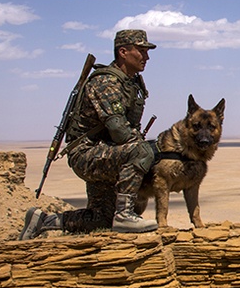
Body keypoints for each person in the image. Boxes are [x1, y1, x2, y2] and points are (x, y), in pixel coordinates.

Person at [19, 29, 159, 240]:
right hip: (88, 155)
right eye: (141, 51)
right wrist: (149, 149)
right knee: (143, 151)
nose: (146, 57)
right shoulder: (106, 83)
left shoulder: (131, 83)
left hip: (106, 153)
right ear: (123, 52)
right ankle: (125, 215)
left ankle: (44, 221)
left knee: (101, 219)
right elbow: (121, 132)